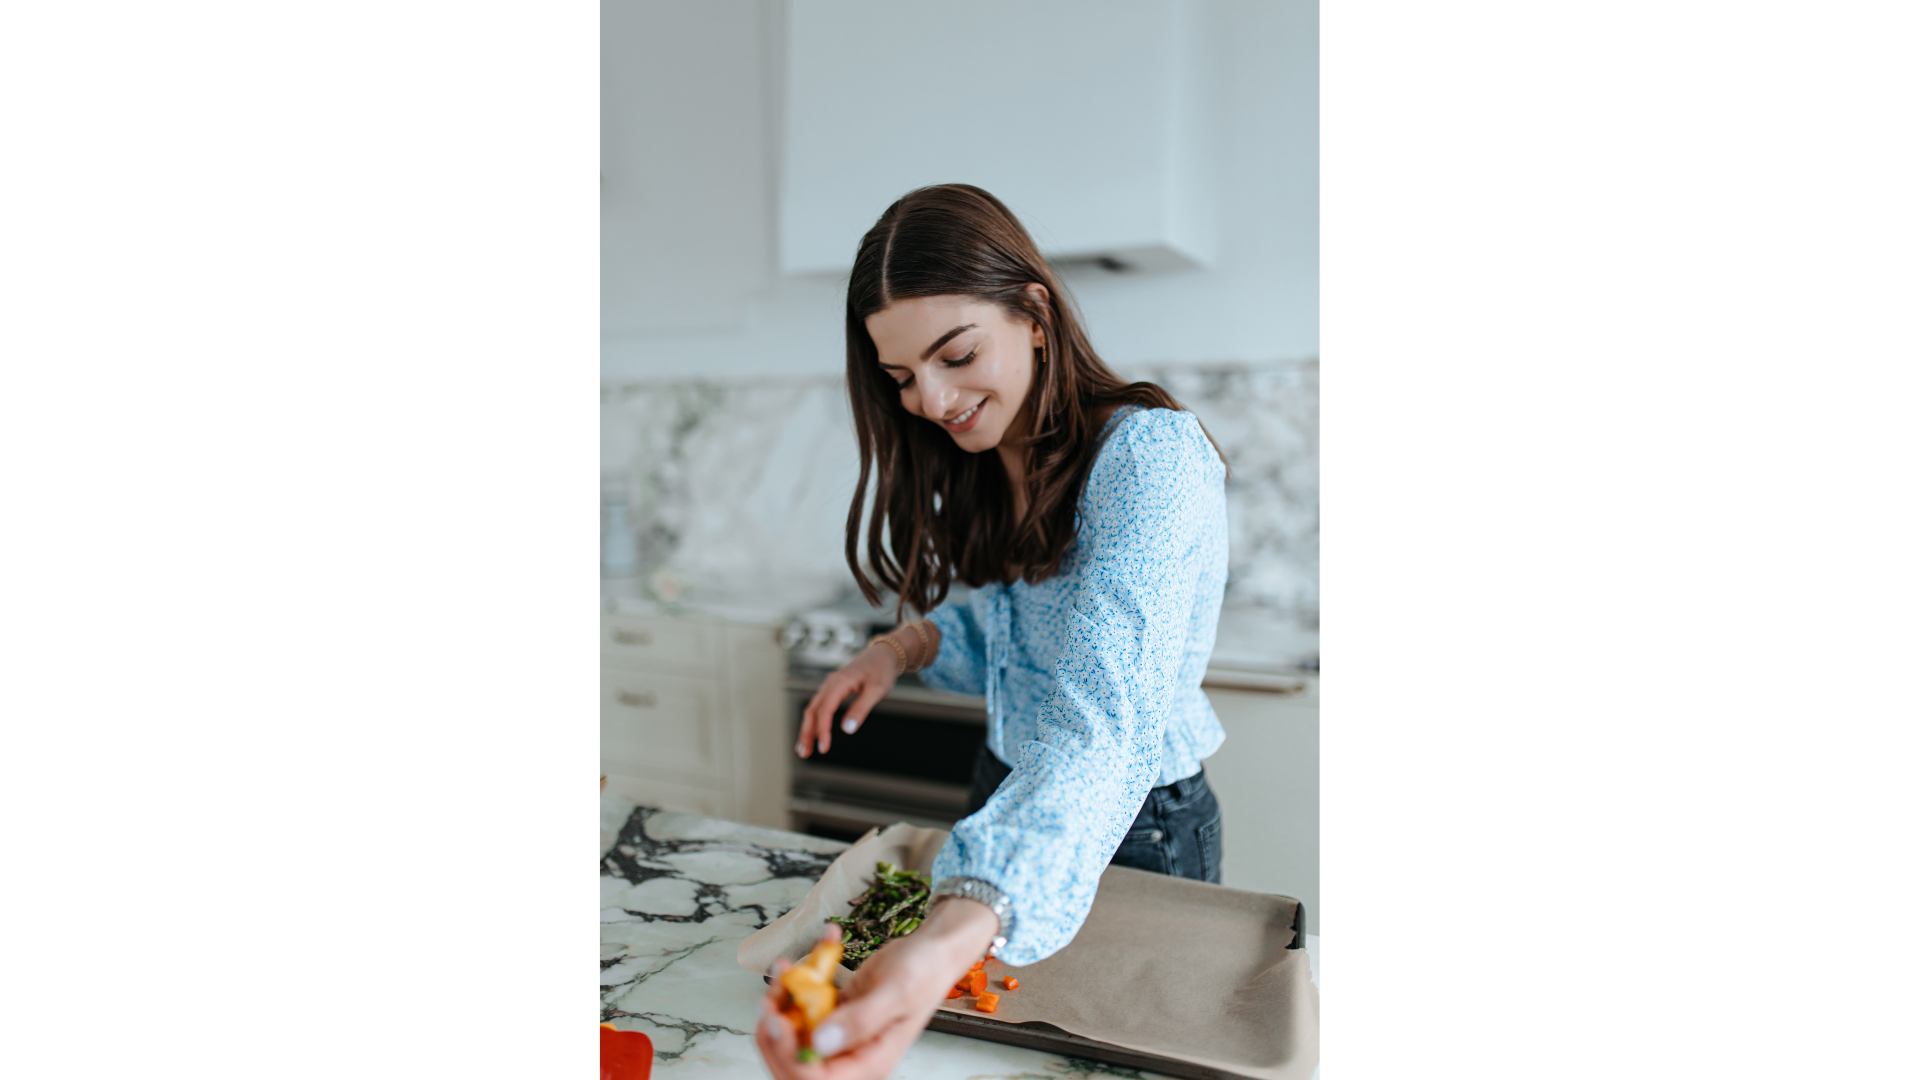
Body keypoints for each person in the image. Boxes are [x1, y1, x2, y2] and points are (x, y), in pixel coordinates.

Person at [756, 184, 1230, 1078]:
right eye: (900, 378)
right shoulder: (1000, 454)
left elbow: (1101, 726)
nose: (930, 400)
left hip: (1134, 821)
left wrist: (944, 940)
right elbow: (1017, 623)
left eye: (955, 353)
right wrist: (900, 647)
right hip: (1007, 787)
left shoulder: (1150, 459)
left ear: (1036, 315)